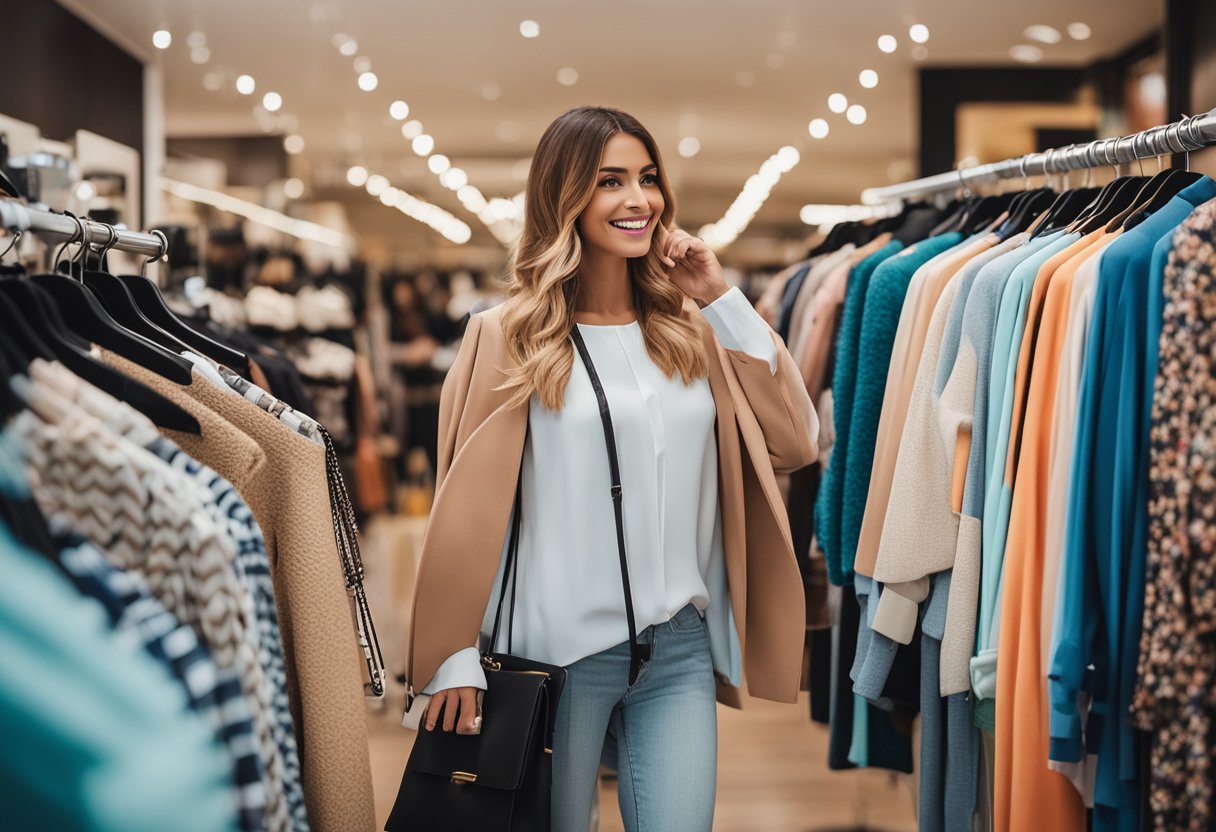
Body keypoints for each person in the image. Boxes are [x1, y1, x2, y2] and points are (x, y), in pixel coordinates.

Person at [404, 105, 819, 831]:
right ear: (564, 197)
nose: (639, 201)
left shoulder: (692, 330)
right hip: (554, 658)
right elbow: (462, 508)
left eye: (648, 179)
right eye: (610, 182)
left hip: (678, 652)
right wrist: (452, 654)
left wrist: (721, 298)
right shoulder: (506, 337)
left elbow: (795, 441)